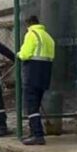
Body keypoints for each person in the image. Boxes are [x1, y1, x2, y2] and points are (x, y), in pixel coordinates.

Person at [17, 15, 55, 145]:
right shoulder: (47, 37)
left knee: (31, 105)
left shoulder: (31, 34)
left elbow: (25, 54)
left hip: (33, 73)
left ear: (28, 24)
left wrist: (18, 54)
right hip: (45, 74)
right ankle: (34, 131)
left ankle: (37, 134)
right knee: (36, 103)